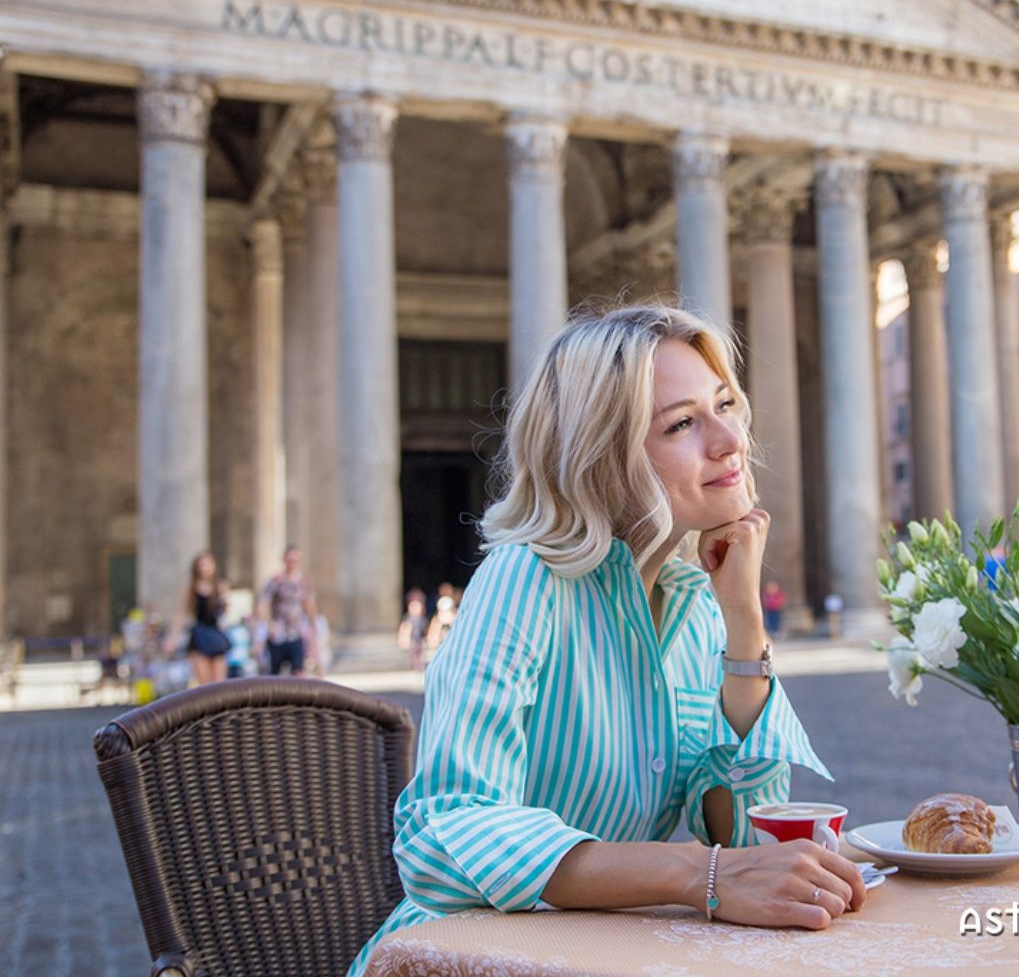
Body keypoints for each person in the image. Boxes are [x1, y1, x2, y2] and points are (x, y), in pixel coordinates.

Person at [348, 304, 864, 976]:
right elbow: (446, 834)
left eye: (725, 405)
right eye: (682, 424)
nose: (729, 439)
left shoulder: (695, 604)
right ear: (601, 457)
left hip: (602, 958)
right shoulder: (526, 578)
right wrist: (698, 874)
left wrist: (743, 620)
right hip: (462, 958)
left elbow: (741, 834)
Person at [167, 551, 229, 686]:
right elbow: (182, 614)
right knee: (205, 684)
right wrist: (173, 638)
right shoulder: (192, 589)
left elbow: (225, 614)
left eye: (207, 564)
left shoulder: (220, 587)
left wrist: (224, 599)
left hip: (216, 635)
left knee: (220, 684)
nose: (204, 568)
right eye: (201, 565)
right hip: (200, 635)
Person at [256, 545, 318, 676]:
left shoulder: (304, 581)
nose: (292, 564)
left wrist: (313, 631)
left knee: (299, 672)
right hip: (278, 632)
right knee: (275, 673)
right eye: (289, 560)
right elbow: (263, 603)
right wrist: (268, 624)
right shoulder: (275, 581)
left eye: (295, 560)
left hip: (297, 632)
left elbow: (310, 606)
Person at [397, 589, 429, 672]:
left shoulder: (422, 619)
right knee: (413, 653)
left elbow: (426, 629)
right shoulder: (409, 619)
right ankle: (414, 665)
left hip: (420, 639)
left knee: (420, 653)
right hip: (413, 639)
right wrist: (403, 639)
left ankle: (420, 666)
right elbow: (405, 628)